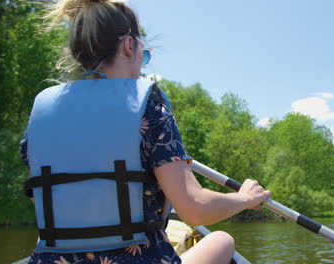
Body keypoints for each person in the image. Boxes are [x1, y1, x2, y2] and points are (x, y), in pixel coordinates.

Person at [20, 0, 270, 263]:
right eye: (144, 55)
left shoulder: (41, 118)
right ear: (129, 46)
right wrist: (243, 198)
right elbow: (195, 209)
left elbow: (48, 202)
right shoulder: (149, 111)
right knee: (222, 240)